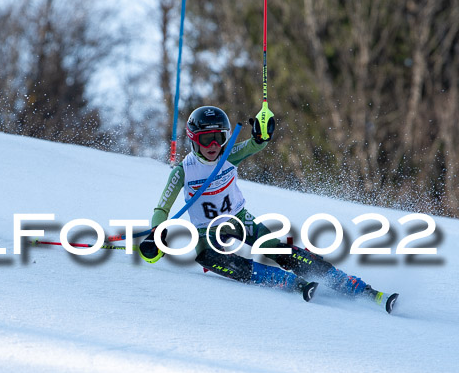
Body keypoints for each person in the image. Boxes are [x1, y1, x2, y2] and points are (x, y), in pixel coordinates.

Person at [138, 106, 397, 312]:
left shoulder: (229, 155)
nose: (214, 146)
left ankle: (354, 286)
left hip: (238, 219)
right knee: (206, 257)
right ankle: (285, 281)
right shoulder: (183, 170)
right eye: (207, 139)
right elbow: (162, 207)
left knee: (276, 248)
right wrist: (155, 233)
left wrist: (262, 132)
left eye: (219, 138)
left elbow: (254, 144)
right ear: (194, 139)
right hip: (207, 230)